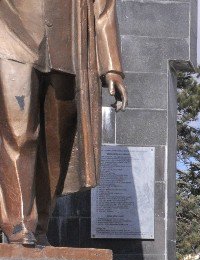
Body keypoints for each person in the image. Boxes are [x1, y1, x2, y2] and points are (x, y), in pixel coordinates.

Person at [0, 0, 128, 246]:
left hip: (66, 44)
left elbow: (103, 5)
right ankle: (19, 223)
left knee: (58, 143)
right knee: (19, 134)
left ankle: (40, 226)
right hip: (10, 35)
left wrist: (112, 67)